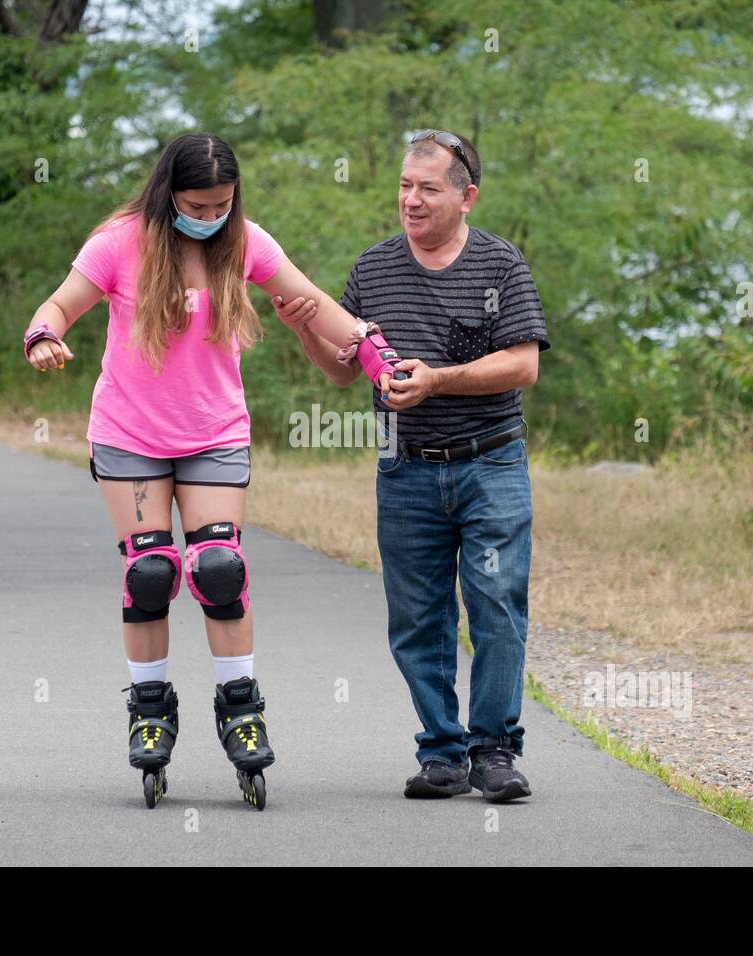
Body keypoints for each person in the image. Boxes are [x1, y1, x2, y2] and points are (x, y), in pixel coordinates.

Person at [21, 132, 410, 809]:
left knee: (218, 569)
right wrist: (45, 337)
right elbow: (58, 306)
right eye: (197, 204)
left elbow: (316, 303)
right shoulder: (119, 243)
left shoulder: (245, 241)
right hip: (130, 434)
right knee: (149, 573)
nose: (209, 215)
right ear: (169, 194)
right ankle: (149, 708)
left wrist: (373, 354)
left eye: (222, 203)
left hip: (214, 433)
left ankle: (240, 705)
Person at [275, 129, 550, 802]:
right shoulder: (373, 269)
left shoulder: (500, 264)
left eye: (428, 188)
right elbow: (343, 373)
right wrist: (305, 327)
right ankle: (441, 754)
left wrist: (438, 380)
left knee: (495, 608)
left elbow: (524, 364)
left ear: (467, 197)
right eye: (404, 186)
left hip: (491, 466)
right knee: (418, 618)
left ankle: (494, 751)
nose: (412, 200)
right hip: (406, 472)